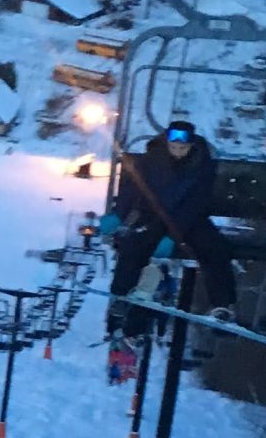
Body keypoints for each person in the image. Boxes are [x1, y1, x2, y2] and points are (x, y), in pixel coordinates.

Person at [100, 118, 238, 324]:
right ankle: (121, 295)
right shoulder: (149, 160)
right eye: (174, 146)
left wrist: (173, 235)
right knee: (133, 245)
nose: (178, 151)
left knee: (214, 248)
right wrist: (119, 214)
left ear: (191, 146)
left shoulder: (202, 165)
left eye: (183, 147)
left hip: (189, 220)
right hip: (152, 215)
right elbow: (133, 188)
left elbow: (196, 202)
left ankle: (222, 304)